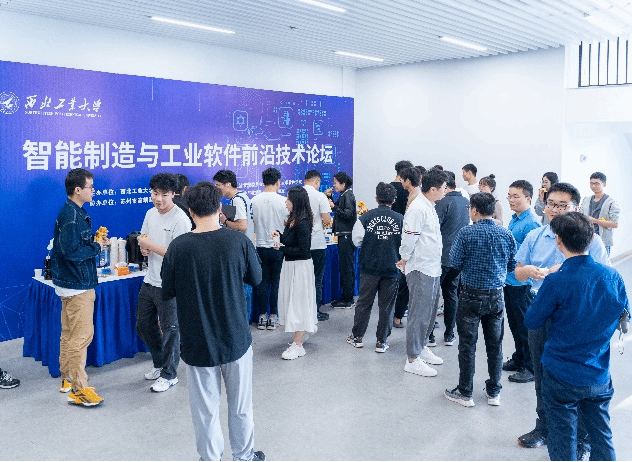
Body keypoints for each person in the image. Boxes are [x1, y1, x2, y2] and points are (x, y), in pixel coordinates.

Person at [161, 182, 265, 462]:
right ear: (220, 208)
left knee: (205, 411)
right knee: (241, 406)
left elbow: (167, 290)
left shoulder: (178, 247)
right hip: (235, 337)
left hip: (197, 340)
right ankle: (244, 456)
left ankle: (210, 458)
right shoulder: (238, 242)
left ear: (190, 211)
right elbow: (256, 278)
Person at [513, 182, 610, 454]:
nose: (554, 210)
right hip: (540, 312)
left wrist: (565, 271)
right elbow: (517, 272)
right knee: (542, 373)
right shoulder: (535, 236)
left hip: (576, 318)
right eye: (551, 204)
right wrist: (528, 271)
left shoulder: (592, 241)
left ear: (575, 209)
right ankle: (544, 427)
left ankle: (581, 440)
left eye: (562, 205)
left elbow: (603, 279)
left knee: (577, 381)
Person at [525, 212, 629, 461]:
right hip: (598, 372)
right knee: (602, 436)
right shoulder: (612, 276)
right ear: (591, 239)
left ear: (558, 241)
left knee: (563, 437)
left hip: (561, 373)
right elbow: (624, 314)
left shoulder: (556, 281)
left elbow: (531, 321)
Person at [444, 192, 517, 407]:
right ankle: (494, 392)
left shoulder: (466, 233)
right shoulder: (506, 234)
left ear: (474, 210)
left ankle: (465, 391)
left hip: (470, 296)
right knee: (495, 345)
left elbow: (455, 262)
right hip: (496, 296)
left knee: (467, 345)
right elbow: (512, 265)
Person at [51, 168, 105, 406]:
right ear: (77, 190)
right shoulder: (72, 217)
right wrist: (96, 247)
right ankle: (79, 389)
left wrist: (92, 242)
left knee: (69, 334)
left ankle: (67, 378)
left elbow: (70, 247)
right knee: (80, 338)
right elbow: (71, 252)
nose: (93, 191)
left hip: (70, 283)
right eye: (90, 187)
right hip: (77, 285)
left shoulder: (72, 212)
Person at [136, 173, 192, 393]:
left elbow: (179, 255)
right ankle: (159, 363)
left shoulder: (180, 219)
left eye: (164, 195)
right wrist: (144, 248)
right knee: (143, 324)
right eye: (155, 193)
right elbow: (144, 238)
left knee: (170, 329)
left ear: (174, 194)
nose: (158, 199)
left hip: (170, 284)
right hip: (150, 280)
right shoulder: (150, 213)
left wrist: (151, 246)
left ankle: (170, 374)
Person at [398, 168, 447, 377]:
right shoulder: (418, 208)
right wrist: (404, 258)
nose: (446, 190)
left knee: (429, 311)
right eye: (443, 187)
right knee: (419, 313)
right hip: (420, 268)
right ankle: (412, 358)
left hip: (432, 267)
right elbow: (409, 238)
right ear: (433, 189)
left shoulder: (429, 206)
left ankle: (422, 346)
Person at [347, 182, 403, 353]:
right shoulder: (401, 219)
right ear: (394, 200)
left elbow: (357, 241)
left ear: (376, 198)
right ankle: (381, 341)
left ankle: (357, 337)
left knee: (364, 303)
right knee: (387, 306)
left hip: (369, 267)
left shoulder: (365, 218)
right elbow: (406, 244)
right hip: (392, 267)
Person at [273, 186, 318, 360]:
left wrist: (281, 248)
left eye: (288, 199)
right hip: (290, 266)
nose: (286, 202)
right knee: (292, 300)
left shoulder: (303, 222)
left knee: (298, 302)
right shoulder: (293, 219)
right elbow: (290, 241)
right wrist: (279, 236)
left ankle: (298, 344)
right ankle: (300, 334)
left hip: (300, 267)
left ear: (296, 202)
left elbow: (303, 250)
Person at [502, 180, 541, 384]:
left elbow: (533, 255)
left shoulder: (531, 223)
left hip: (523, 283)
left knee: (526, 327)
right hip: (510, 279)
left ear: (528, 199)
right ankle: (519, 358)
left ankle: (531, 367)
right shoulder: (515, 219)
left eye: (515, 196)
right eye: (509, 196)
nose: (511, 200)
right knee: (515, 324)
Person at [429, 170, 470, 346]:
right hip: (459, 258)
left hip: (442, 257)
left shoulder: (443, 202)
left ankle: (430, 335)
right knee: (451, 294)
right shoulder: (466, 202)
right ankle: (449, 334)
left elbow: (433, 227)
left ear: (444, 186)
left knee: (433, 295)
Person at [251, 168, 288, 331]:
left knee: (263, 283)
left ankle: (262, 316)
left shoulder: (254, 200)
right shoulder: (284, 201)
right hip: (278, 247)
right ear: (278, 182)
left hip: (260, 246)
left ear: (263, 181)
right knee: (276, 284)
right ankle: (273, 317)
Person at [303, 170, 333, 322]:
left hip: (299, 244)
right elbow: (327, 220)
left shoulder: (294, 194)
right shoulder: (320, 196)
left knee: (301, 279)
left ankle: (301, 311)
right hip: (316, 243)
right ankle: (315, 311)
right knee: (317, 279)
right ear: (316, 182)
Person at [327, 172, 357, 309]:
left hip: (346, 235)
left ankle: (347, 299)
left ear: (343, 184)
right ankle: (346, 297)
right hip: (344, 234)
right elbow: (337, 207)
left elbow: (348, 214)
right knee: (345, 267)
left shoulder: (348, 195)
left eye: (335, 183)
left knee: (346, 268)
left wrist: (334, 207)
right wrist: (330, 198)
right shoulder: (344, 194)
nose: (334, 186)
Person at [390, 161, 414, 328]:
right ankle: (399, 311)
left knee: (393, 273)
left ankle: (391, 307)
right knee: (404, 275)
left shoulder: (388, 188)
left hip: (391, 235)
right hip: (405, 234)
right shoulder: (410, 191)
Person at [580, 172, 619, 257]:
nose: (593, 186)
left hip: (603, 242)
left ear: (604, 184)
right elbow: (580, 216)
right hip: (586, 240)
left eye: (597, 183)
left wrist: (595, 221)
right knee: (586, 263)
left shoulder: (611, 202)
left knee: (602, 264)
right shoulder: (586, 200)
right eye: (591, 183)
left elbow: (614, 224)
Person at [213, 169, 255, 243]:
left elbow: (242, 226)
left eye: (218, 185)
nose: (216, 188)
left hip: (242, 244)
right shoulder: (243, 196)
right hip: (247, 243)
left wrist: (225, 221)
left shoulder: (237, 200)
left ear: (228, 184)